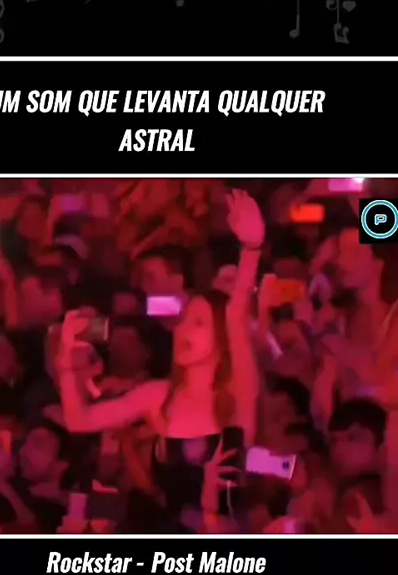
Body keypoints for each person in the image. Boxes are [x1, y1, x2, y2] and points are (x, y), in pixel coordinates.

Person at [57, 190, 264, 532]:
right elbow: (80, 420)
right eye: (183, 322)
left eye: (198, 323)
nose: (184, 330)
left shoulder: (236, 394)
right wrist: (67, 360)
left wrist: (251, 250)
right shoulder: (159, 396)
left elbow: (237, 313)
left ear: (222, 336)